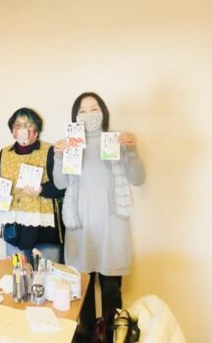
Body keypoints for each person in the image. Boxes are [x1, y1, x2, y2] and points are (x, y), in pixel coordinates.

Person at [52, 92, 146, 340]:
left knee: (111, 291)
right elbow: (60, 183)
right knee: (82, 291)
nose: (89, 114)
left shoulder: (115, 140)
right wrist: (58, 156)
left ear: (103, 112)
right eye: (82, 111)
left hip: (112, 226)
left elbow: (138, 178)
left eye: (94, 109)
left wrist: (132, 150)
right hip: (81, 226)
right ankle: (88, 337)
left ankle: (113, 336)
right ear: (75, 116)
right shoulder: (71, 144)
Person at [0, 108, 65, 263]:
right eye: (18, 125)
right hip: (14, 227)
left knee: (47, 272)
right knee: (17, 272)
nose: (23, 130)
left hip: (43, 227)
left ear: (36, 131)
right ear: (13, 132)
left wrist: (41, 190)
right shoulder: (5, 153)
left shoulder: (50, 151)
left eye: (28, 125)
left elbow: (63, 187)